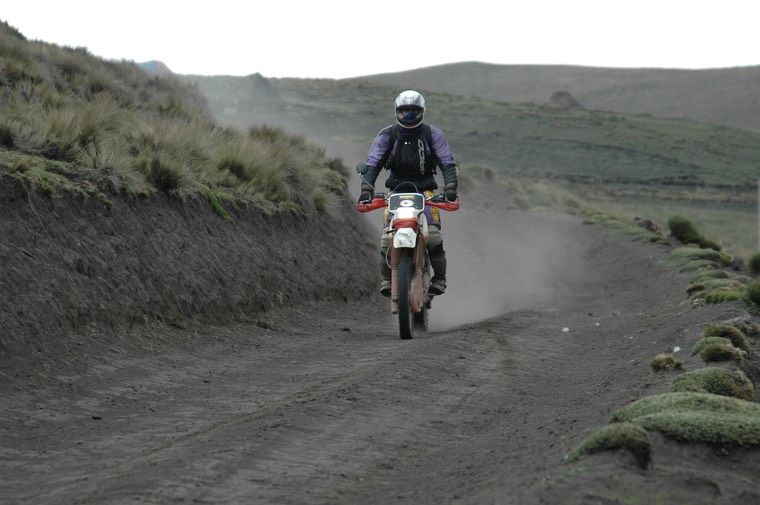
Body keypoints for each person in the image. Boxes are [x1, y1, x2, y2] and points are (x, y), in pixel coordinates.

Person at [359, 90, 459, 297]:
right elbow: (373, 163)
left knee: (432, 235)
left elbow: (447, 163)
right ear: (397, 111)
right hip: (395, 193)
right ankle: (387, 278)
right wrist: (367, 188)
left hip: (426, 192)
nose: (409, 117)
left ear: (422, 112)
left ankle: (439, 278)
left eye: (414, 112)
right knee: (387, 237)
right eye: (405, 112)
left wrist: (450, 187)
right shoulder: (387, 135)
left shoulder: (433, 134)